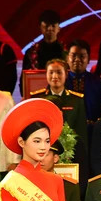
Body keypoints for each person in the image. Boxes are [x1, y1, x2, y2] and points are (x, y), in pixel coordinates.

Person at [31, 59, 89, 188]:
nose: (55, 76)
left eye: (59, 72)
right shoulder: (37, 98)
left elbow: (81, 134)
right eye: (51, 72)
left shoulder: (76, 100)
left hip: (71, 157)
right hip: (43, 156)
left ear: (66, 74)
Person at [66, 39, 101, 125]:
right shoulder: (60, 81)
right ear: (67, 58)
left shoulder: (97, 82)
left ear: (88, 59)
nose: (77, 59)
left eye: (82, 56)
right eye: (73, 55)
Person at [22, 10, 66, 74]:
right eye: (46, 26)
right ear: (40, 28)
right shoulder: (30, 53)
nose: (50, 29)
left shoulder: (67, 52)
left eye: (53, 26)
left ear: (59, 28)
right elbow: (24, 79)